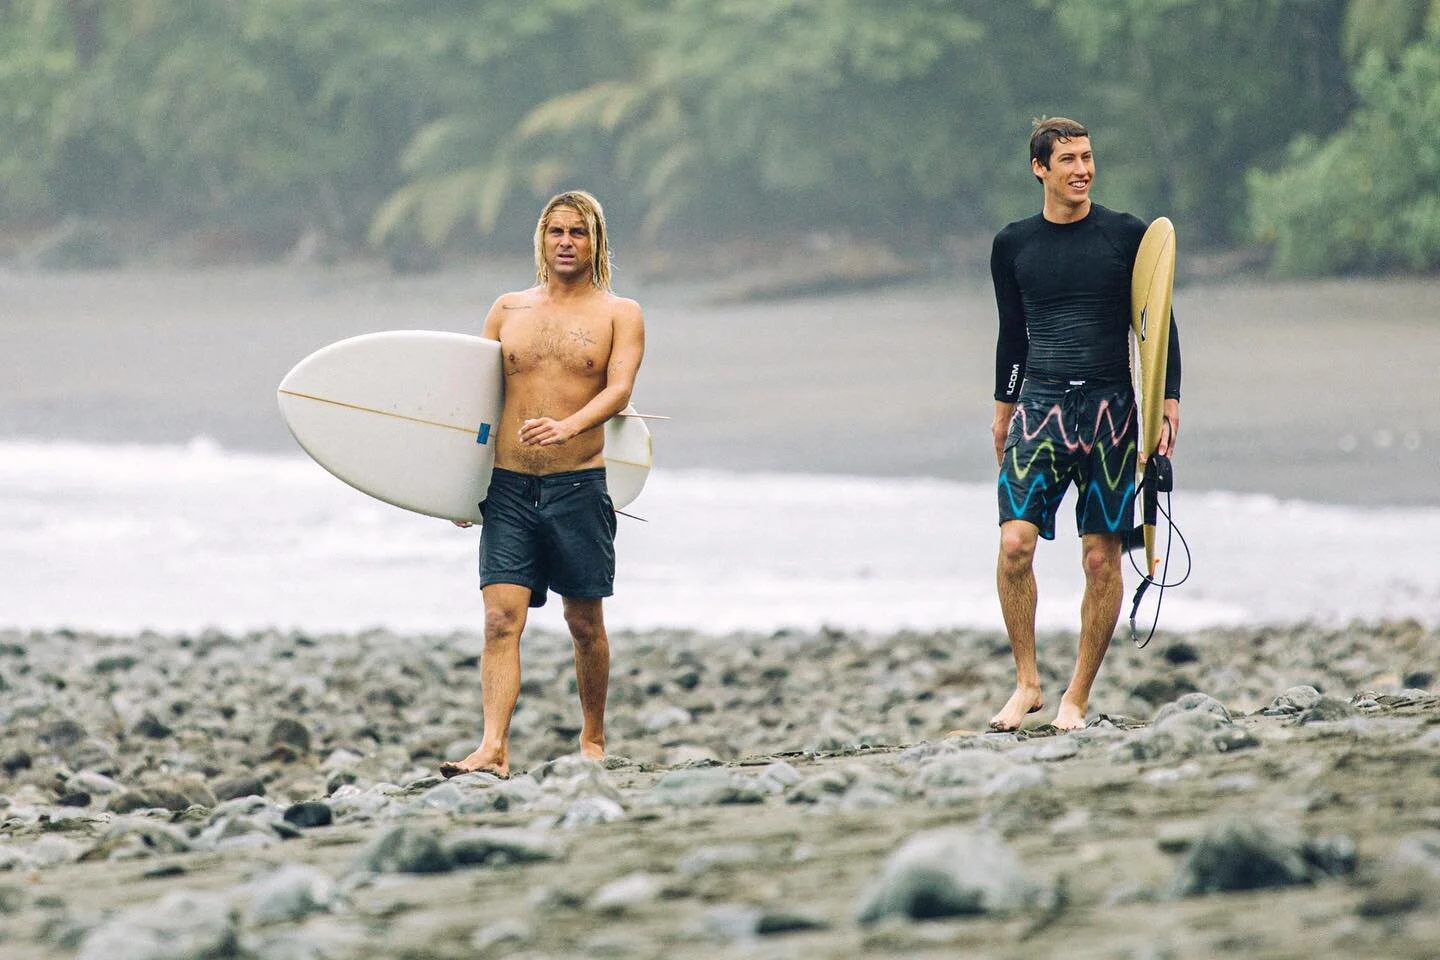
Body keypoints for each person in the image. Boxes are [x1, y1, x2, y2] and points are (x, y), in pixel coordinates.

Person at [983, 118, 1181, 733]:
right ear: (1039, 168)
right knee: (1015, 545)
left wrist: (1167, 401)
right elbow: (1012, 334)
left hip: (1111, 414)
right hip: (1040, 408)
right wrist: (1003, 409)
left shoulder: (1127, 235)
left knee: (1100, 559)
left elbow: (1158, 325)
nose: (1082, 170)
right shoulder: (1013, 244)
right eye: (1068, 159)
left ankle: (1077, 695)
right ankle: (1027, 684)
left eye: (1088, 157)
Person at [441, 190, 645, 778]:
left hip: (578, 486)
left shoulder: (620, 313)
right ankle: (493, 749)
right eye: (556, 231)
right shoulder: (507, 310)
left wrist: (568, 426)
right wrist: (457, 484)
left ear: (596, 241)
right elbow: (478, 401)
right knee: (500, 620)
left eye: (577, 233)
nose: (565, 242)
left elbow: (619, 390)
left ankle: (593, 739)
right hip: (508, 488)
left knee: (584, 624)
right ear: (541, 239)